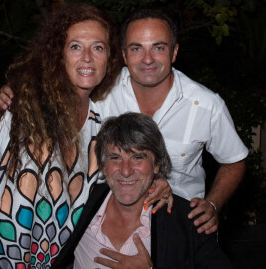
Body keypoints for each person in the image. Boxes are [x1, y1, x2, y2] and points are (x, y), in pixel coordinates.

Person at [0, 7, 248, 234]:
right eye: (137, 48)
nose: (147, 59)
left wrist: (213, 204)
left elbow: (234, 160)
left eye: (158, 47)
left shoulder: (206, 105)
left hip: (177, 225)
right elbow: (60, 85)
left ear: (174, 52)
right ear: (124, 55)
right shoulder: (102, 88)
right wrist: (17, 91)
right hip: (103, 221)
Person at [0, 4, 171, 269]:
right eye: (75, 47)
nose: (87, 57)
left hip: (47, 261)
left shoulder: (99, 127)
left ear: (109, 60)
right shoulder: (21, 109)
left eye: (97, 47)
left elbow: (123, 171)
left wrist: (159, 181)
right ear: (59, 56)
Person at [52, 112, 231, 269]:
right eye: (115, 157)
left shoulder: (189, 223)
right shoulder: (78, 206)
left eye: (138, 157)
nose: (126, 170)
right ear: (102, 165)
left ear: (156, 164)